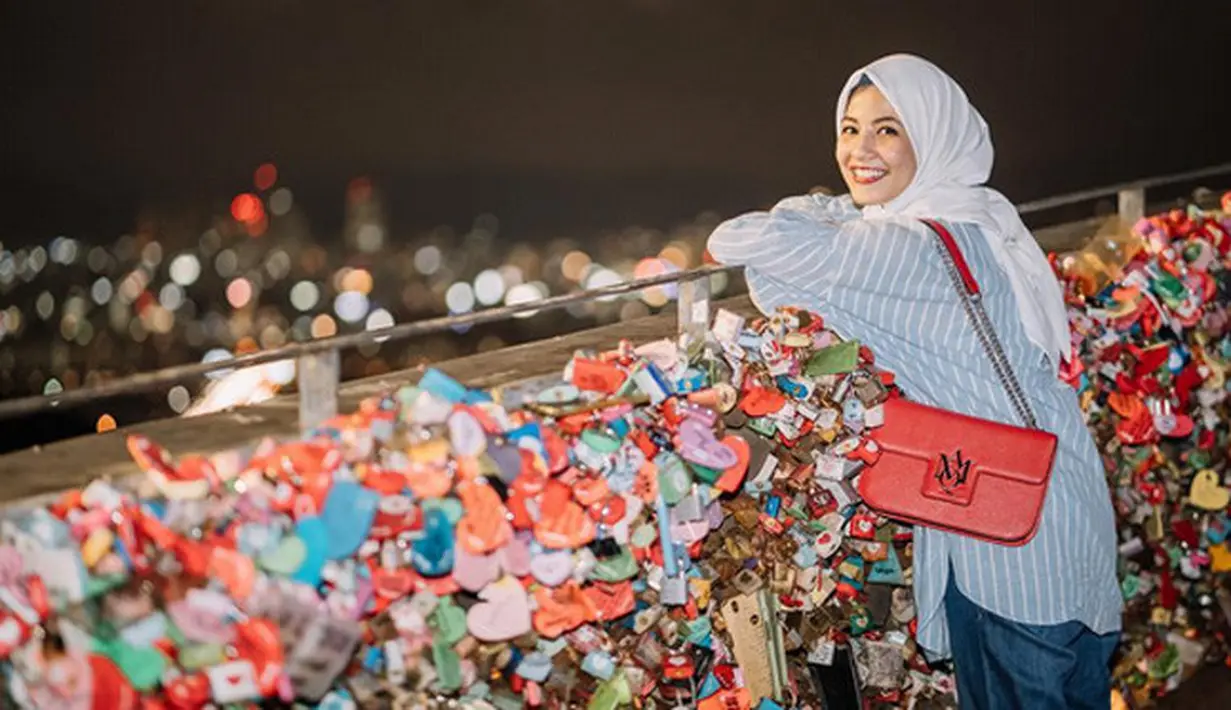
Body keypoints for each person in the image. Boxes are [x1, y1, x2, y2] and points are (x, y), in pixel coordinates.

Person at [706, 54, 1122, 709]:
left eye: (888, 130)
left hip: (1008, 542)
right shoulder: (980, 219)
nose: (860, 150)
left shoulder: (903, 248)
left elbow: (739, 242)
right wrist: (866, 202)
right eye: (849, 129)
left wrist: (839, 206)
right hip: (1069, 503)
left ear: (932, 137)